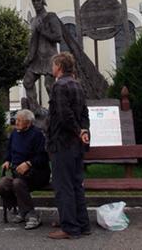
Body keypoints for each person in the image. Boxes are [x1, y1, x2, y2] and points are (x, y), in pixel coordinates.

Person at [46, 52, 91, 239]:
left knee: (63, 186)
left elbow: (64, 115)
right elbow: (84, 113)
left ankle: (70, 228)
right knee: (76, 185)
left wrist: (76, 130)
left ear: (59, 66)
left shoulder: (59, 86)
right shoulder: (78, 85)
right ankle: (83, 225)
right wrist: (84, 131)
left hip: (62, 143)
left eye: (53, 65)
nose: (51, 68)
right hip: (76, 145)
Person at [0, 109, 50, 230]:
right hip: (18, 174)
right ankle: (23, 210)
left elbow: (43, 157)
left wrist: (29, 163)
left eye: (20, 120)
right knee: (1, 185)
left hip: (37, 174)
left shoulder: (37, 135)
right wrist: (7, 160)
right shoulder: (15, 134)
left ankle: (33, 216)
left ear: (28, 123)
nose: (17, 122)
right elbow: (9, 151)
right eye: (16, 120)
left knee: (17, 183)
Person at [22, 0, 62, 112]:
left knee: (49, 86)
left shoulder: (51, 17)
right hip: (36, 58)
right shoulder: (33, 20)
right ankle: (36, 110)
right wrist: (29, 57)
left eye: (38, 0)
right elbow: (33, 41)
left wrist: (43, 31)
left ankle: (55, 111)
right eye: (33, 1)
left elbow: (58, 37)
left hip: (50, 57)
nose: (35, 3)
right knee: (27, 82)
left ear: (43, 1)